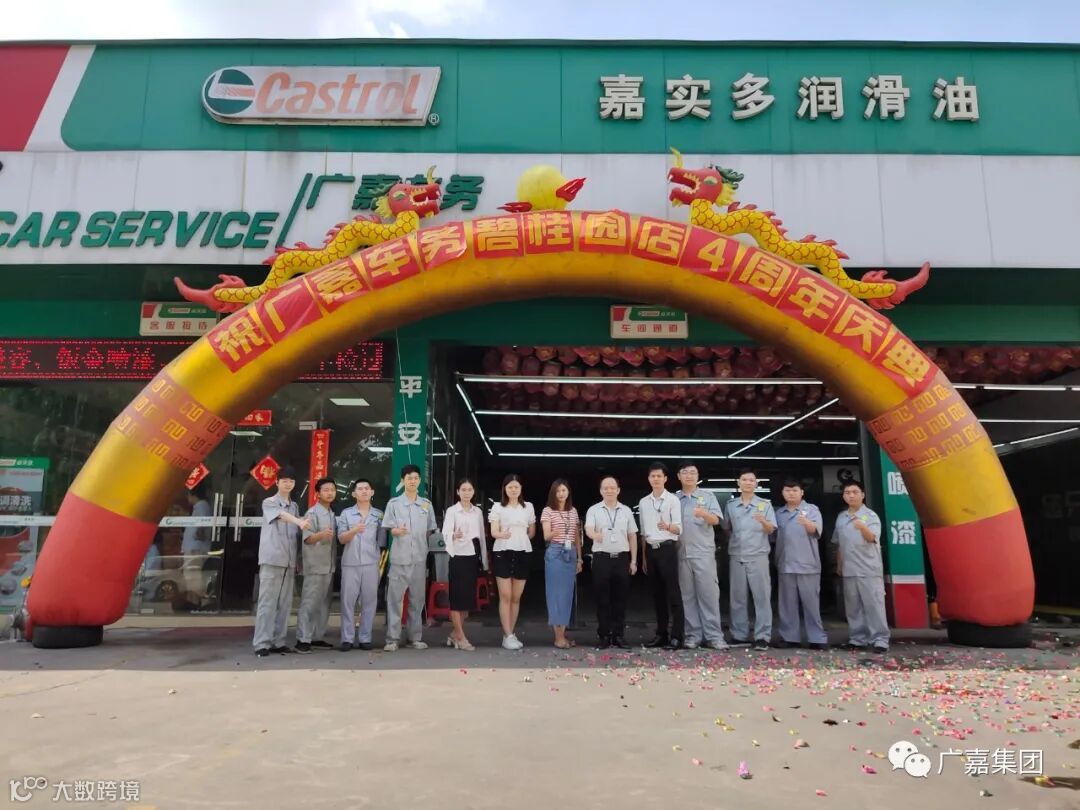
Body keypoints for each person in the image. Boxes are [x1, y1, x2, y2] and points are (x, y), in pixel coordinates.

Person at [253, 467, 310, 657]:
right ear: (277, 482)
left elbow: (295, 531)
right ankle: (262, 643)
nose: (288, 484)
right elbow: (282, 516)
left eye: (291, 481)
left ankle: (278, 642)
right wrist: (299, 522)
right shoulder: (269, 502)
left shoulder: (294, 506)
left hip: (289, 561)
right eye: (284, 480)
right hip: (272, 559)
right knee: (267, 603)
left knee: (285, 604)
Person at [382, 464, 438, 652]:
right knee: (395, 600)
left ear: (420, 480)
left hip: (419, 559)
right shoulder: (393, 504)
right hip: (399, 559)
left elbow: (430, 530)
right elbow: (389, 528)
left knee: (417, 600)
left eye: (415, 478)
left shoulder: (426, 505)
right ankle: (392, 639)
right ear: (402, 480)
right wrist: (396, 531)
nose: (413, 481)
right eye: (409, 478)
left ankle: (415, 637)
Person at [832, 481, 890, 654]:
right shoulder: (841, 517)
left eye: (855, 492)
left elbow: (873, 538)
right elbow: (839, 543)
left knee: (874, 605)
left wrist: (863, 527)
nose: (851, 495)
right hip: (849, 569)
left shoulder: (870, 516)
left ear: (862, 495)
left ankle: (880, 640)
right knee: (853, 607)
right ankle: (857, 639)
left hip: (868, 569)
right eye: (847, 492)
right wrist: (839, 565)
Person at [675, 462, 727, 650]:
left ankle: (714, 636)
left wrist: (704, 513)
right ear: (679, 476)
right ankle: (693, 635)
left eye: (693, 473)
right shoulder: (674, 499)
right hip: (682, 553)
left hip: (703, 553)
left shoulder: (708, 496)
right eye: (685, 472)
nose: (689, 476)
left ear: (697, 476)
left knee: (709, 595)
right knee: (687, 597)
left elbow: (716, 520)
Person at [725, 468, 777, 652]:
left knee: (761, 597)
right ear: (738, 483)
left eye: (751, 480)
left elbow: (771, 530)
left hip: (758, 555)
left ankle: (762, 636)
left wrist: (763, 521)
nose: (748, 483)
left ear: (756, 484)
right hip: (737, 555)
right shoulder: (731, 505)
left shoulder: (765, 504)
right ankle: (739, 635)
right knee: (737, 598)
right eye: (744, 479)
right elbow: (727, 528)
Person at [584, 475, 638, 650]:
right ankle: (604, 635)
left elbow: (632, 536)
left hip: (621, 559)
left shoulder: (626, 511)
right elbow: (588, 528)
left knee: (620, 599)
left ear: (618, 490)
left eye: (612, 487)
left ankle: (619, 635)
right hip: (601, 559)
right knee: (602, 599)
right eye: (605, 488)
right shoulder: (594, 510)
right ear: (601, 491)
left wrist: (634, 561)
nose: (609, 490)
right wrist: (595, 535)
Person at [773, 480, 828, 650]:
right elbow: (772, 537)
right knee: (787, 604)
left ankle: (817, 638)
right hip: (785, 564)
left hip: (807, 564)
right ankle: (790, 637)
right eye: (787, 490)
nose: (791, 493)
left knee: (811, 604)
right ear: (783, 493)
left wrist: (807, 523)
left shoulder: (812, 510)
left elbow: (816, 530)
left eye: (795, 490)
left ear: (802, 492)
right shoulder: (778, 513)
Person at [638, 462, 684, 649]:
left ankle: (677, 635)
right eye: (652, 476)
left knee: (673, 593)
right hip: (651, 550)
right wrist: (644, 557)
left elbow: (679, 528)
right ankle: (661, 634)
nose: (656, 479)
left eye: (659, 476)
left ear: (665, 478)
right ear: (648, 479)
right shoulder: (643, 502)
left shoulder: (673, 500)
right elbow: (643, 533)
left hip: (667, 548)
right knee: (657, 595)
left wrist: (667, 527)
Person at [489, 474, 536, 650]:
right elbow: (493, 531)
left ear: (521, 488)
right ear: (505, 489)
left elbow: (532, 531)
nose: (513, 490)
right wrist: (503, 535)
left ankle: (510, 633)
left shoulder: (528, 507)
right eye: (510, 487)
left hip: (523, 552)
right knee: (506, 595)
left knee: (516, 597)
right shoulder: (497, 507)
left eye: (516, 487)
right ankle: (508, 635)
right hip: (503, 551)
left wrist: (520, 538)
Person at [336, 479, 384, 651]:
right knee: (347, 602)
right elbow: (341, 538)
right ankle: (347, 638)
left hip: (371, 563)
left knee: (369, 602)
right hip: (350, 563)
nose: (364, 491)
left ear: (372, 492)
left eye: (367, 488)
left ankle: (365, 637)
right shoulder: (346, 514)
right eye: (360, 489)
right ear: (354, 494)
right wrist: (354, 530)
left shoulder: (378, 515)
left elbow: (381, 541)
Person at [442, 477, 488, 651]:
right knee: (457, 599)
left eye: (469, 490)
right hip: (458, 556)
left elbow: (482, 537)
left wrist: (484, 560)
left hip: (472, 557)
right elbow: (446, 533)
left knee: (467, 601)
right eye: (463, 490)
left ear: (473, 492)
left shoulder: (477, 512)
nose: (466, 493)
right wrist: (453, 535)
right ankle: (461, 637)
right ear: (458, 492)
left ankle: (454, 634)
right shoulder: (452, 511)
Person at [295, 477, 338, 653]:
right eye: (326, 490)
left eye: (332, 490)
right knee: (310, 602)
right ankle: (302, 639)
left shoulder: (332, 513)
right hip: (315, 565)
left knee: (324, 603)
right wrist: (321, 535)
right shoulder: (312, 513)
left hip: (329, 565)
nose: (330, 493)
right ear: (318, 494)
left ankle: (316, 637)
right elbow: (307, 538)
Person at [540, 479, 582, 649]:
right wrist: (555, 532)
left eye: (564, 490)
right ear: (553, 493)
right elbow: (546, 536)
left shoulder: (573, 511)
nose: (561, 494)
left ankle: (562, 635)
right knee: (555, 595)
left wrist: (579, 558)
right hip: (555, 552)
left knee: (567, 595)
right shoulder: (547, 511)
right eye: (558, 491)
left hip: (570, 553)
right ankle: (558, 637)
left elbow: (577, 536)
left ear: (568, 492)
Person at [180, 485, 212, 603]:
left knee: (192, 575)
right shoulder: (198, 507)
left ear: (192, 494)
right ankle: (192, 600)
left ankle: (194, 601)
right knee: (190, 575)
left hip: (195, 548)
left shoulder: (202, 505)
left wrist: (199, 533)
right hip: (193, 547)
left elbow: (203, 523)